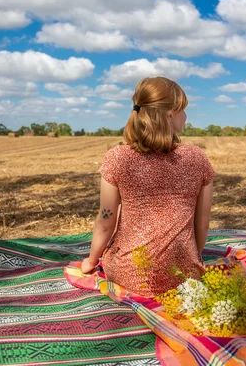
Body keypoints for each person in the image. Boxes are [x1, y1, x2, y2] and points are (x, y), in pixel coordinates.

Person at [80, 76, 215, 297]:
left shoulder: (117, 157)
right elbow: (203, 222)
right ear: (170, 114)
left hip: (127, 273)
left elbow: (106, 220)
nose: (186, 116)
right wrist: (193, 261)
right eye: (183, 110)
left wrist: (90, 261)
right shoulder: (197, 158)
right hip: (183, 276)